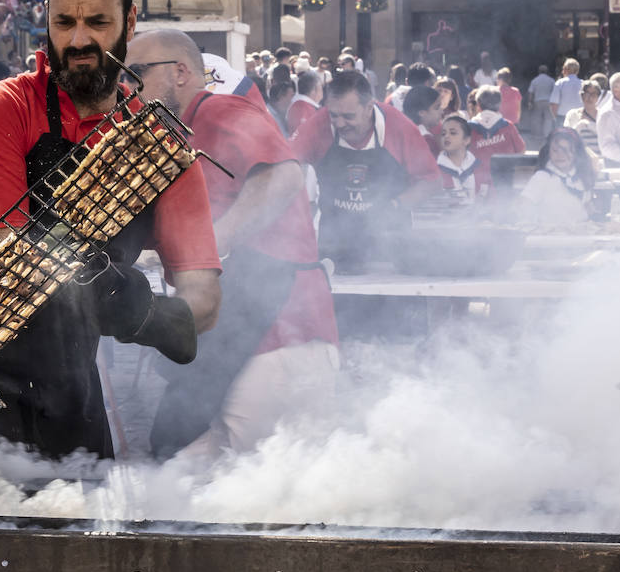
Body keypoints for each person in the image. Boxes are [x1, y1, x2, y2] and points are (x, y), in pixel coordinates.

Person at [0, 0, 222, 461]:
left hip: (68, 392)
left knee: (79, 535)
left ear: (129, 23)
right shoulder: (1, 109)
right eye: (64, 22)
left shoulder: (158, 150)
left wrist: (174, 317)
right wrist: (141, 311)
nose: (78, 40)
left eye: (97, 22)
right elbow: (11, 253)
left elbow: (203, 299)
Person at [126, 29, 337, 458]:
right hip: (235, 325)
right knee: (174, 450)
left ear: (180, 72)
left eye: (136, 75)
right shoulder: (174, 138)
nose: (126, 90)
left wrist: (210, 242)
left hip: (281, 325)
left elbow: (284, 177)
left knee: (236, 478)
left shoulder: (220, 109)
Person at [290, 71, 440, 273]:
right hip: (335, 245)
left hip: (391, 243)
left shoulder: (400, 128)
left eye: (349, 116)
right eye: (334, 115)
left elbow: (431, 181)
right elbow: (285, 166)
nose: (340, 123)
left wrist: (396, 205)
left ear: (369, 107)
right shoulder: (317, 125)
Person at [519, 128, 596, 225]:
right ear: (548, 151)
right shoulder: (542, 177)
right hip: (548, 236)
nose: (560, 155)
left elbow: (587, 207)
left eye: (566, 150)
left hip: (579, 235)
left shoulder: (582, 177)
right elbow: (524, 205)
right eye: (555, 150)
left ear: (577, 152)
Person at [435, 115, 488, 205]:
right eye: (443, 134)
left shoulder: (478, 166)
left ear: (466, 140)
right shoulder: (437, 170)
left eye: (453, 133)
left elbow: (488, 197)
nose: (446, 136)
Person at [562, 80, 603, 157]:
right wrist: (580, 125)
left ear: (598, 97)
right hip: (578, 157)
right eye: (587, 94)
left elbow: (606, 136)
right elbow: (566, 136)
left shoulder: (603, 115)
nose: (590, 97)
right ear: (581, 95)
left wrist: (589, 125)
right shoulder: (572, 114)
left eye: (593, 94)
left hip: (600, 157)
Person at [402, 84, 443, 157]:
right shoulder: (426, 141)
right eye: (437, 107)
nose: (442, 111)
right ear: (421, 113)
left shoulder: (404, 133)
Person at [285, 68, 324, 135]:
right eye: (321, 87)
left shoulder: (301, 105)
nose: (323, 91)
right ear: (314, 91)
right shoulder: (302, 108)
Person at [549, 59, 583, 128]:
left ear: (565, 69)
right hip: (579, 117)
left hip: (562, 117)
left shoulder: (560, 83)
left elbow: (554, 103)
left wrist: (555, 118)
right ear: (577, 71)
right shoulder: (583, 83)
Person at [527, 64, 556, 139]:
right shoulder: (551, 80)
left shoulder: (535, 80)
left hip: (538, 102)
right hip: (548, 102)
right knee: (548, 119)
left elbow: (531, 92)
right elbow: (555, 92)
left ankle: (537, 135)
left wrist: (530, 102)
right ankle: (546, 135)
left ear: (539, 71)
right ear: (547, 71)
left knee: (537, 119)